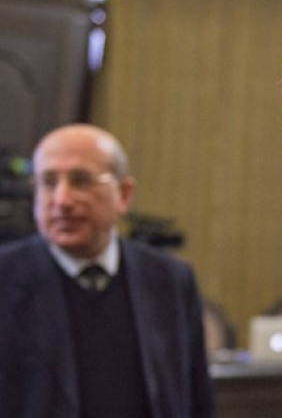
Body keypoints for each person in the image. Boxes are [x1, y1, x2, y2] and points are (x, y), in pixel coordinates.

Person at [0, 124, 213, 417]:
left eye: (81, 180)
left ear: (123, 194)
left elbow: (198, 399)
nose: (62, 200)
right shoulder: (6, 277)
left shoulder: (170, 279)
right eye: (48, 182)